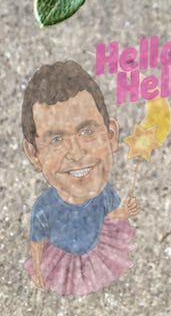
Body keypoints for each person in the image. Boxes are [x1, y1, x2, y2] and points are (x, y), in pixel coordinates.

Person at [21, 60, 138, 295]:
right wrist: (37, 268)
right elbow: (36, 243)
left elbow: (110, 217)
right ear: (34, 154)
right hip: (61, 260)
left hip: (95, 253)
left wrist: (125, 211)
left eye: (87, 131)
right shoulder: (44, 208)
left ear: (111, 135)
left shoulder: (106, 194)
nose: (76, 153)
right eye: (56, 139)